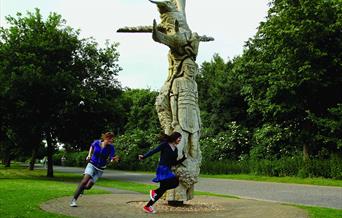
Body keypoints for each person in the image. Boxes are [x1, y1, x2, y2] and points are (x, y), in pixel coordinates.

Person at [138, 131, 186, 213]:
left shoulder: (176, 149)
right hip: (162, 168)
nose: (179, 140)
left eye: (180, 139)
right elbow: (154, 151)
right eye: (179, 139)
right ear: (175, 138)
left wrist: (183, 159)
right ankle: (154, 192)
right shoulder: (165, 145)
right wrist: (144, 156)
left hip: (168, 169)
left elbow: (173, 163)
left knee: (162, 190)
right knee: (175, 182)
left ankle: (148, 206)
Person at [70, 132, 119, 207]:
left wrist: (113, 160)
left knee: (88, 187)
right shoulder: (96, 142)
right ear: (106, 138)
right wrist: (89, 155)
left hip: (100, 169)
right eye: (110, 139)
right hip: (92, 164)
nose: (112, 140)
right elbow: (91, 146)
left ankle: (82, 189)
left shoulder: (111, 147)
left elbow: (112, 157)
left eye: (112, 139)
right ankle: (73, 200)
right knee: (84, 181)